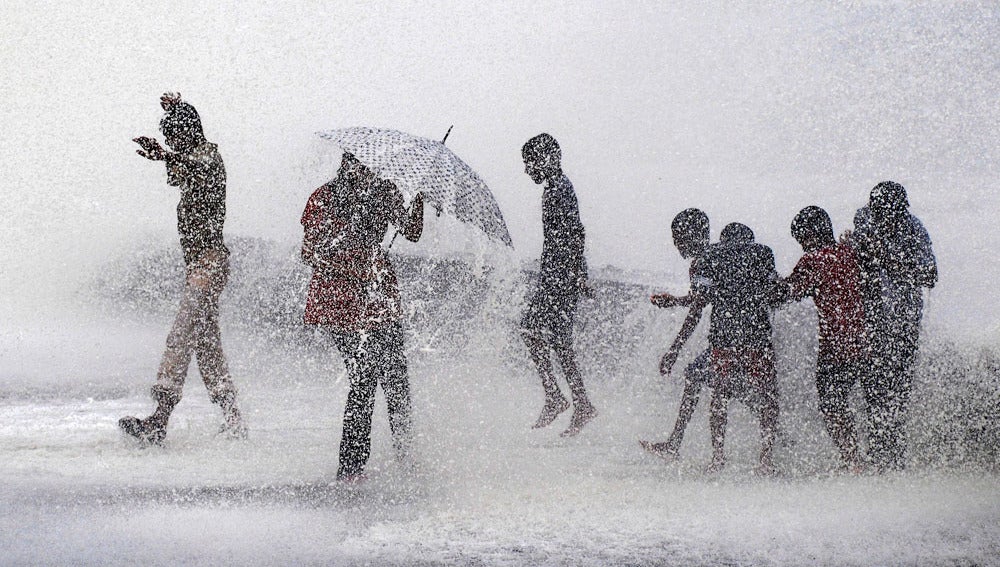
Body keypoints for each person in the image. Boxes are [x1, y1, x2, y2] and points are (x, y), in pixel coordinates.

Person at [120, 93, 246, 445]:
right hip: (200, 266)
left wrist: (165, 153)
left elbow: (195, 166)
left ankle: (159, 420)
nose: (169, 143)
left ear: (188, 134)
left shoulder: (208, 156)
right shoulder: (193, 155)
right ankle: (233, 419)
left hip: (210, 263)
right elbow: (182, 171)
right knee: (205, 343)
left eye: (174, 136)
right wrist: (178, 109)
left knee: (181, 334)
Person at [300, 152, 425, 482]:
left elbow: (411, 230)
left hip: (378, 295)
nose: (362, 171)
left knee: (396, 379)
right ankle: (351, 467)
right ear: (345, 165)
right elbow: (308, 253)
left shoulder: (384, 192)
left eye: (368, 166)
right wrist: (350, 259)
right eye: (356, 165)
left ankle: (406, 458)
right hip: (340, 300)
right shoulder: (325, 197)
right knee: (365, 380)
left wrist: (420, 197)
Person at [849, 181, 937, 471]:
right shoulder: (865, 217)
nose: (883, 220)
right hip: (872, 321)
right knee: (874, 388)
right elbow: (861, 254)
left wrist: (887, 258)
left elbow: (930, 274)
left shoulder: (913, 228)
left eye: (890, 215)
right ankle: (879, 453)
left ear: (901, 213)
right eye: (879, 213)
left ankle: (893, 454)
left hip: (904, 323)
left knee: (897, 389)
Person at [776, 206, 868, 472]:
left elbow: (786, 292)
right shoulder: (849, 253)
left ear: (810, 235)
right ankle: (877, 460)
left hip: (836, 346)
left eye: (802, 240)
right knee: (871, 405)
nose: (802, 247)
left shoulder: (814, 260)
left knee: (833, 406)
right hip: (867, 343)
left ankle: (853, 461)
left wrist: (764, 280)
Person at [520, 133, 597, 437]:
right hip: (558, 273)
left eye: (529, 163)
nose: (527, 171)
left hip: (559, 276)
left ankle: (560, 398)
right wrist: (579, 272)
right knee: (556, 342)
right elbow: (574, 232)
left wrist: (577, 274)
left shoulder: (559, 189)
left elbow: (576, 233)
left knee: (533, 332)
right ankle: (577, 402)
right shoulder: (556, 187)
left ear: (547, 158)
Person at [694, 222, 780, 474]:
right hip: (756, 336)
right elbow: (772, 290)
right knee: (767, 395)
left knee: (719, 395)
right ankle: (765, 460)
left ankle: (718, 457)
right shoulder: (763, 253)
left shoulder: (711, 254)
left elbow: (702, 294)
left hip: (724, 336)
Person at [640, 208, 716, 460]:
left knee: (697, 377)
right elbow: (701, 300)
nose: (676, 243)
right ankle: (776, 436)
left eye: (679, 237)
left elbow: (697, 308)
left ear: (697, 235)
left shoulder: (703, 262)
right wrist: (675, 301)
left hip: (728, 339)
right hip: (751, 335)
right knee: (735, 384)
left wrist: (674, 349)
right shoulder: (719, 256)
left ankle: (675, 446)